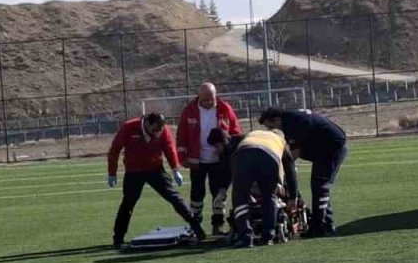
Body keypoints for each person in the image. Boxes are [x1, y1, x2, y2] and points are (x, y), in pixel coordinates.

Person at [108, 112, 206, 249]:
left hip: (155, 169)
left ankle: (197, 229)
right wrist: (112, 172)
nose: (156, 134)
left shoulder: (162, 130)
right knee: (128, 204)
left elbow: (169, 148)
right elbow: (114, 149)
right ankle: (118, 239)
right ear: (147, 123)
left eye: (158, 131)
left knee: (174, 197)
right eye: (154, 130)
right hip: (134, 171)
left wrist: (175, 169)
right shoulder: (129, 127)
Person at [257, 107, 348, 236]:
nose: (271, 131)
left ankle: (320, 226)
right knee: (319, 187)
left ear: (277, 120)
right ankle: (326, 224)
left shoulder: (292, 123)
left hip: (331, 148)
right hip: (324, 149)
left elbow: (293, 154)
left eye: (271, 126)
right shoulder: (290, 119)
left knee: (320, 186)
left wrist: (279, 171)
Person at [176, 82, 242, 235]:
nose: (208, 102)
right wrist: (182, 157)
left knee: (218, 193)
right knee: (197, 194)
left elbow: (235, 132)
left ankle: (218, 224)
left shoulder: (225, 108)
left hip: (219, 160)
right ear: (199, 97)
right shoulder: (189, 110)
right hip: (196, 160)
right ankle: (195, 225)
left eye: (211, 99)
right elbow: (181, 136)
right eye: (205, 99)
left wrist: (230, 150)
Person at [229, 121, 299, 248]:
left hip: (242, 155)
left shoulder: (254, 134)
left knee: (240, 198)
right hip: (268, 157)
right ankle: (268, 236)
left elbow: (233, 142)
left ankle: (245, 237)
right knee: (269, 196)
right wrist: (293, 197)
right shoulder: (281, 141)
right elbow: (290, 171)